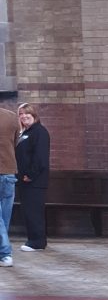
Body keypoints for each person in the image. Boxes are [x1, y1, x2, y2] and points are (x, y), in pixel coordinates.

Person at [15, 103, 50, 251]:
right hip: (25, 180)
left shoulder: (39, 132)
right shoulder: (25, 132)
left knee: (34, 211)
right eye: (21, 114)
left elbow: (40, 158)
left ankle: (37, 242)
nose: (23, 116)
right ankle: (33, 239)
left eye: (26, 113)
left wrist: (30, 175)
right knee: (29, 211)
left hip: (34, 180)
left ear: (34, 115)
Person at [0, 99, 19, 267]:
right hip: (9, 171)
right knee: (4, 217)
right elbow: (16, 142)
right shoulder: (12, 117)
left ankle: (5, 254)